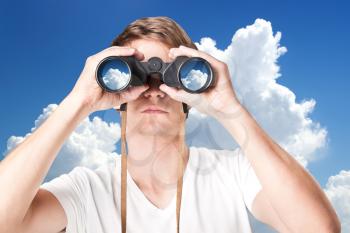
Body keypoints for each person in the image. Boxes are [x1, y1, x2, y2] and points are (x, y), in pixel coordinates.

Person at [0, 16, 340, 233]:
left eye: (168, 75)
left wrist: (229, 108)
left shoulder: (234, 173)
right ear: (117, 93)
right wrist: (79, 101)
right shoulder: (86, 190)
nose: (153, 90)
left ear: (189, 90)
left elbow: (318, 228)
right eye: (136, 75)